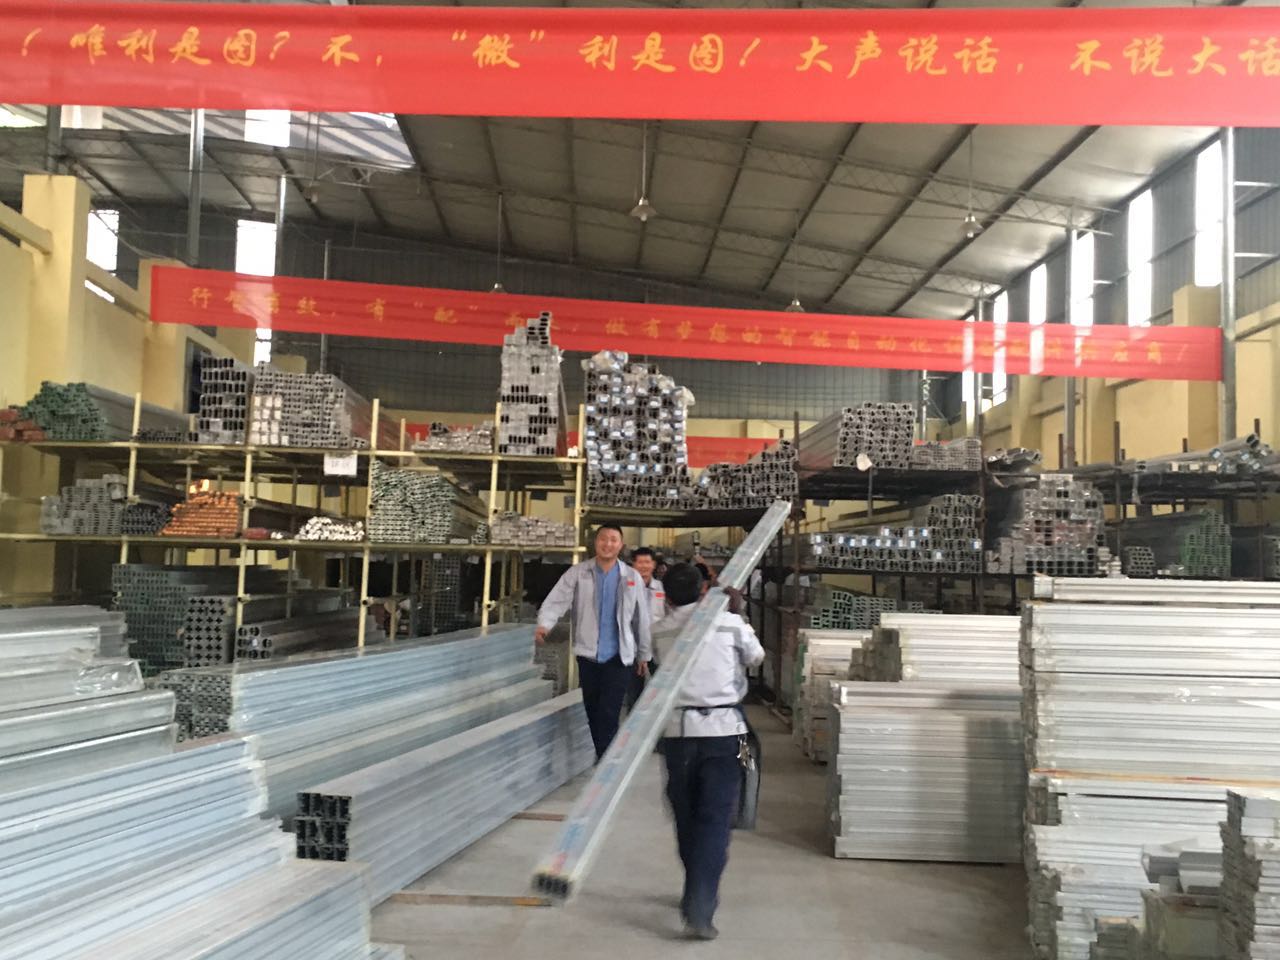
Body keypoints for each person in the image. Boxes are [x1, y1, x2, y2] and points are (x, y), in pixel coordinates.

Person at [652, 562, 764, 941]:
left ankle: (694, 891)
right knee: (714, 820)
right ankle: (700, 905)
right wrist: (738, 613)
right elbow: (756, 657)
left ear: (666, 596)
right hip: (725, 733)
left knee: (686, 816)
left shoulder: (660, 631)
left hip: (678, 735)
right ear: (703, 590)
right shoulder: (728, 624)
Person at [535, 524, 651, 759]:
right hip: (588, 654)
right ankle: (601, 753)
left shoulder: (631, 577)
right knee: (592, 708)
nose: (608, 544)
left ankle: (605, 759)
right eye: (603, 539)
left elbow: (641, 617)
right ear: (595, 543)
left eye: (613, 540)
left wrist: (644, 654)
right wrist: (545, 623)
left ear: (621, 545)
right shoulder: (578, 573)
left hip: (619, 656)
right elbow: (558, 599)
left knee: (609, 711)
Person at [624, 547, 665, 711]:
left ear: (653, 564)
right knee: (634, 693)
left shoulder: (662, 588)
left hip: (658, 648)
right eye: (640, 562)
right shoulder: (626, 588)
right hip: (633, 648)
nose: (644, 566)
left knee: (661, 691)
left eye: (647, 562)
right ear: (633, 565)